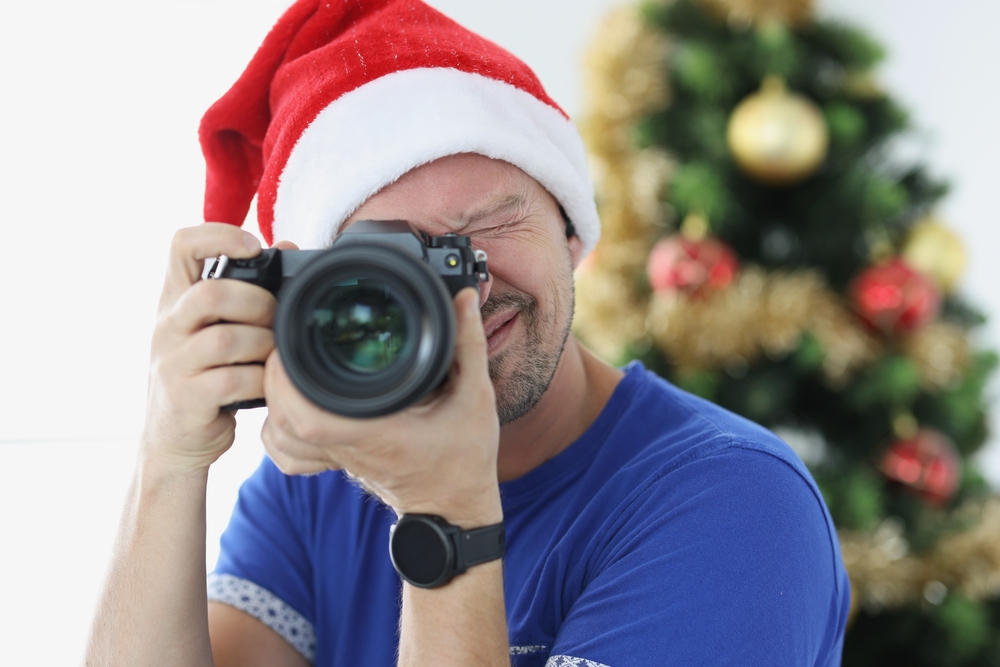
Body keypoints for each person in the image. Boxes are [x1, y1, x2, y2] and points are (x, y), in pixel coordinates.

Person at [85, 1, 850, 666]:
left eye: (490, 225)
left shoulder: (734, 502)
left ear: (573, 233)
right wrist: (170, 458)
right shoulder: (318, 484)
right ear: (313, 297)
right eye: (397, 256)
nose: (467, 285)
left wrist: (445, 508)